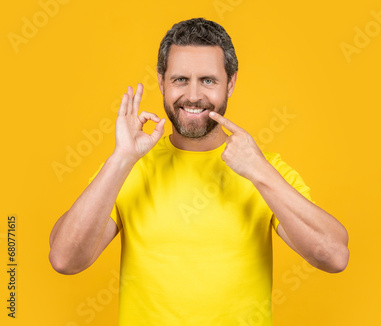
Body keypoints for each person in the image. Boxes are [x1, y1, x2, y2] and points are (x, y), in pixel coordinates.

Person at [49, 17, 349, 325]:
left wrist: (259, 170)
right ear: (161, 80)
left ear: (230, 83)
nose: (193, 95)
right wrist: (121, 158)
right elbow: (65, 260)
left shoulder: (264, 170)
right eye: (180, 79)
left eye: (208, 80)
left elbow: (334, 256)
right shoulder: (128, 168)